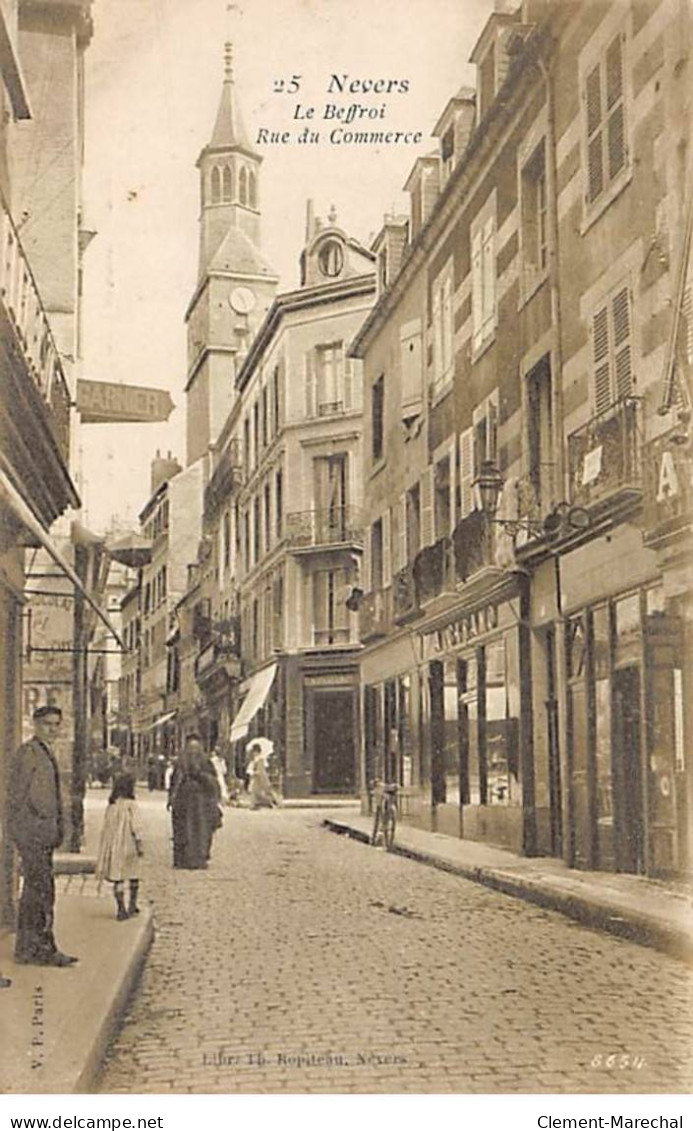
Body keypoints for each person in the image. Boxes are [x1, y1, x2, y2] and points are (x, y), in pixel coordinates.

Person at [6, 705, 78, 967]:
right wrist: (20, 830)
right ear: (35, 724)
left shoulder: (46, 753)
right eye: (48, 724)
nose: (53, 729)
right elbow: (16, 795)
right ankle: (39, 949)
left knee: (38, 892)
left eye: (57, 724)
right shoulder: (28, 754)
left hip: (43, 833)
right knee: (40, 892)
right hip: (32, 834)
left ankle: (30, 947)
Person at [95, 771, 144, 920]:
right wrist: (140, 843)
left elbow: (106, 827)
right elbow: (137, 826)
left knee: (118, 878)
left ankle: (120, 908)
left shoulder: (112, 805)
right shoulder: (132, 805)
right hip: (128, 845)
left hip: (114, 846)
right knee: (133, 875)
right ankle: (132, 905)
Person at [167, 735, 221, 869]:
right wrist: (172, 798)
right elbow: (175, 781)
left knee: (200, 831)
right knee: (183, 830)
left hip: (201, 802)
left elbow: (213, 782)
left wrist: (200, 776)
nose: (193, 751)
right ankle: (183, 859)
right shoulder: (181, 763)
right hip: (184, 801)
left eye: (196, 748)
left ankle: (198, 858)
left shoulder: (205, 762)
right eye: (191, 748)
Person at [247, 739, 279, 810]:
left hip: (259, 777)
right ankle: (255, 804)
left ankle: (270, 801)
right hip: (256, 778)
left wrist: (255, 772)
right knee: (255, 791)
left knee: (260, 791)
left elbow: (260, 770)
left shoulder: (260, 759)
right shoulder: (256, 759)